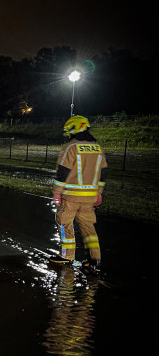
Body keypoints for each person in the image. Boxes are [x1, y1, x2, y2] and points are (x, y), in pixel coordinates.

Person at [49, 115, 108, 274]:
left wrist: (57, 194)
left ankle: (67, 256)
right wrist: (99, 193)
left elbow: (62, 173)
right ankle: (94, 260)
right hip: (89, 198)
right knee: (89, 229)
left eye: (69, 131)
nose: (68, 134)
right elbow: (102, 174)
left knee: (64, 223)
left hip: (70, 197)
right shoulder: (98, 148)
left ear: (75, 130)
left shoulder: (71, 148)